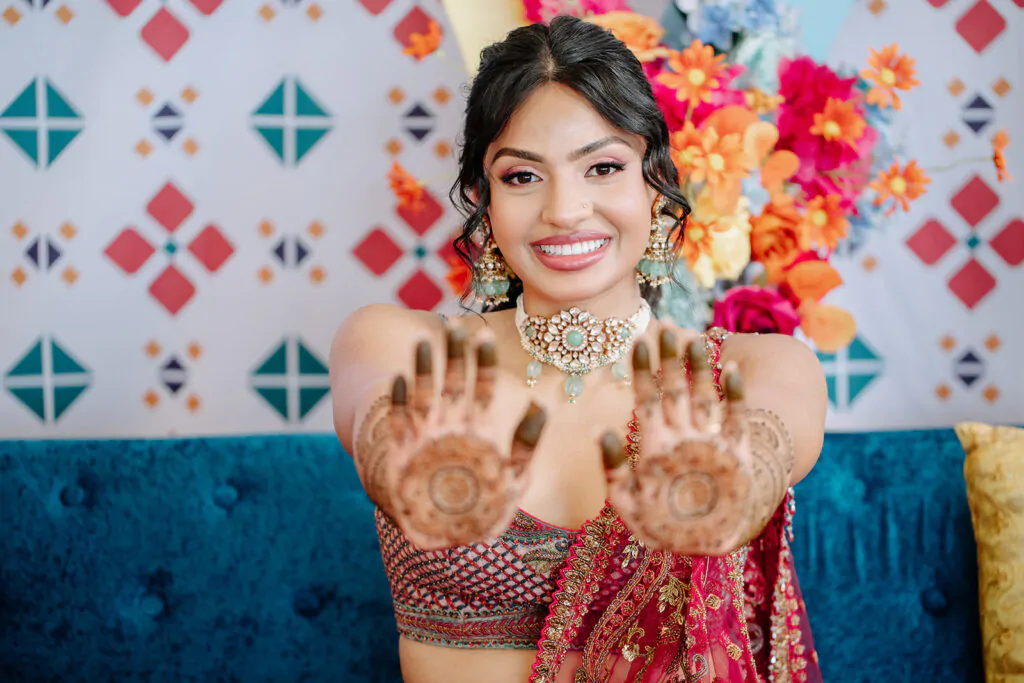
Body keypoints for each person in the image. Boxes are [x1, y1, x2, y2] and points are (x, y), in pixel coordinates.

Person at [330, 15, 826, 683]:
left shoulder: (749, 368)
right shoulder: (410, 349)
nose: (566, 210)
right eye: (522, 177)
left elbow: (765, 447)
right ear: (482, 200)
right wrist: (410, 470)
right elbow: (379, 427)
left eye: (602, 167)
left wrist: (725, 493)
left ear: (654, 184)